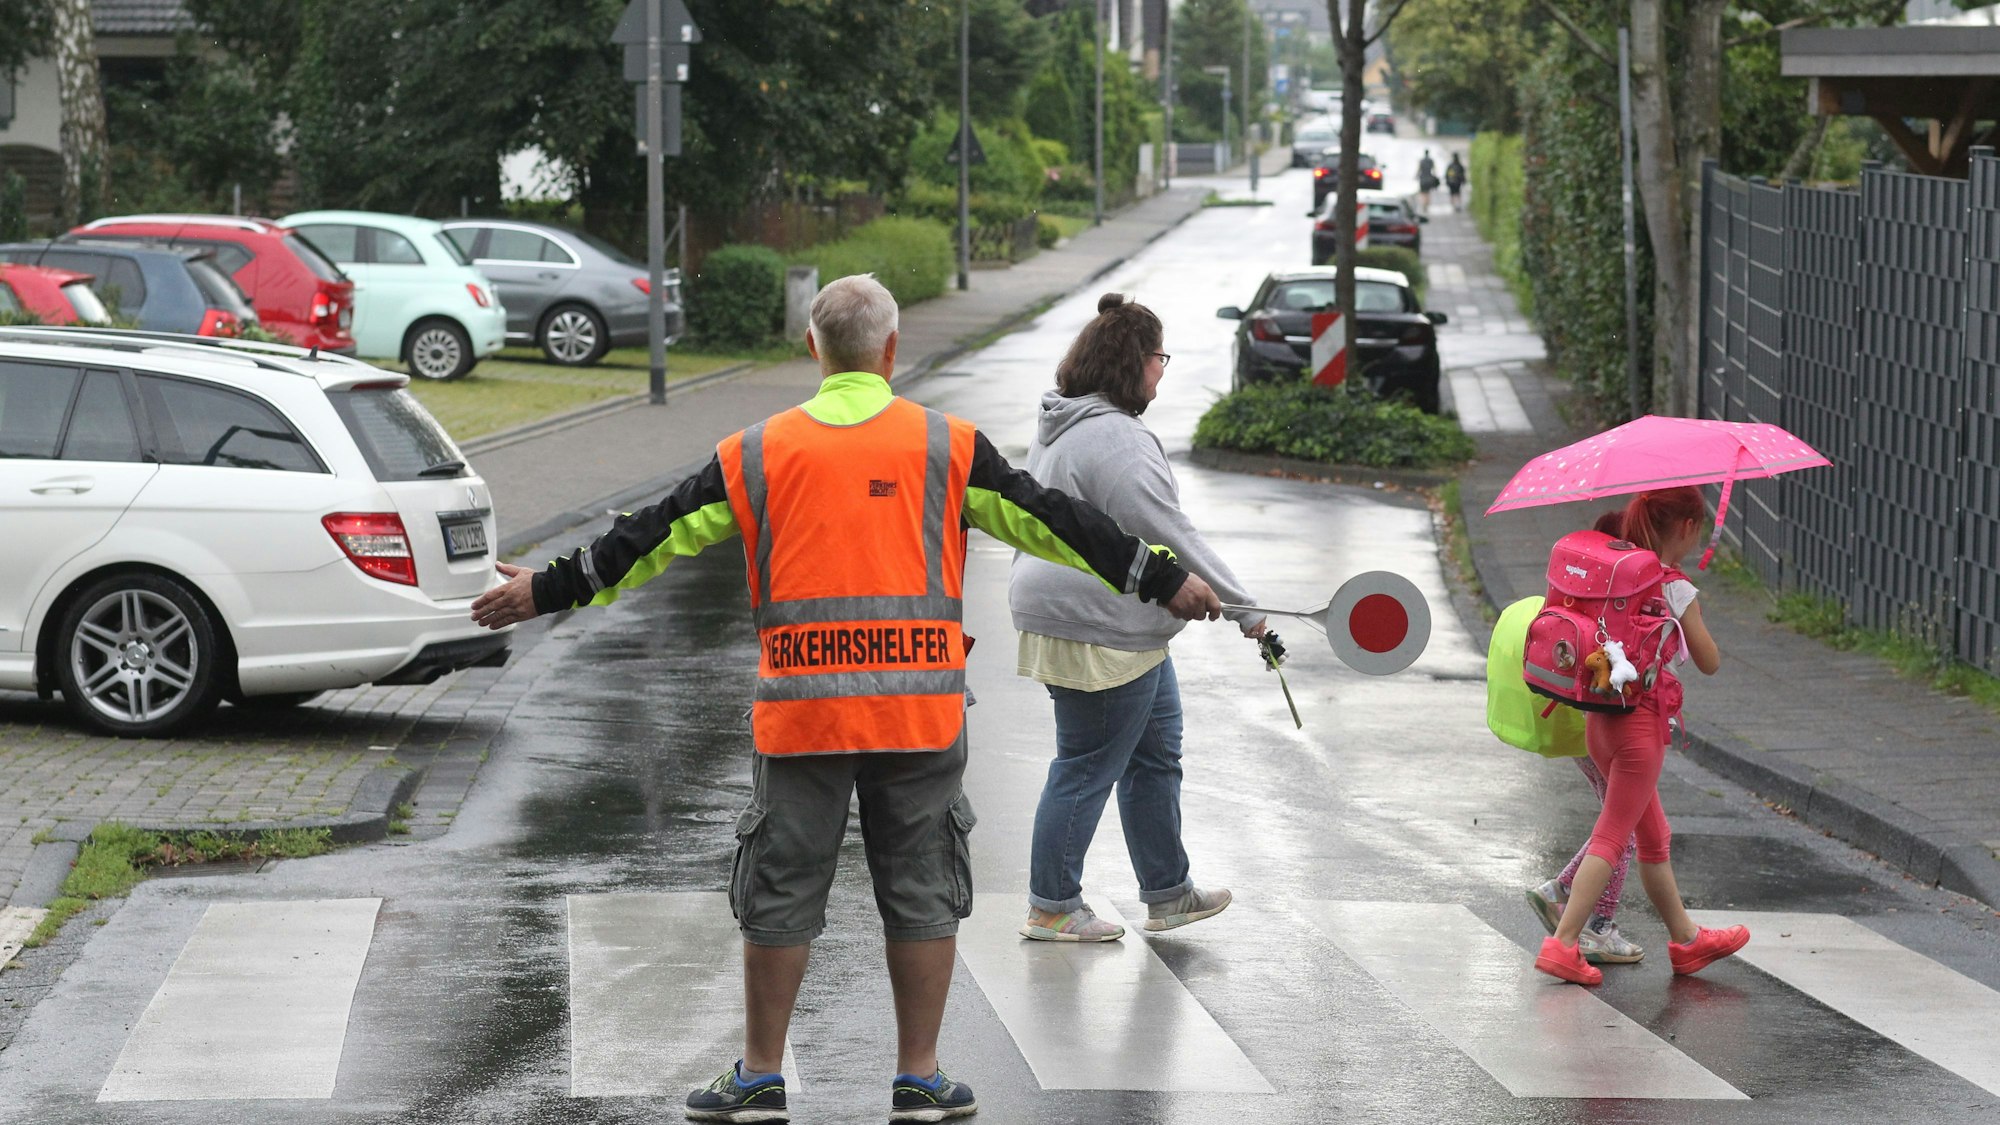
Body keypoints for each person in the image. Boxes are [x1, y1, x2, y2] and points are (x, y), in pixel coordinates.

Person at [469, 274, 1223, 1122]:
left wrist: (549, 588)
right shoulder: (948, 447)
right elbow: (1061, 523)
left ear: (813, 350)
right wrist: (1164, 579)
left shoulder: (756, 451)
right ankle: (921, 1076)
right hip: (918, 716)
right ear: (893, 352)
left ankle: (759, 1073)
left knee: (782, 887)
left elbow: (650, 534)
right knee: (923, 885)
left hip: (803, 719)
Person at [1009, 294, 1265, 943]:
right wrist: (1245, 607)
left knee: (1154, 753)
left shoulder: (1071, 423)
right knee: (1088, 761)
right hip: (1096, 623)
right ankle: (1052, 903)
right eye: (1159, 358)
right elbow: (1166, 528)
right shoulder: (1114, 437)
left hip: (1095, 617)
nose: (1162, 371)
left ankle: (1168, 889)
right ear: (1135, 362)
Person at [1533, 487, 1751, 986]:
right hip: (1640, 727)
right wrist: (1689, 611)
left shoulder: (1610, 577)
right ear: (1689, 528)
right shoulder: (1673, 586)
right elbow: (1710, 662)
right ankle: (1564, 943)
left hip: (1599, 722)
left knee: (1654, 836)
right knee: (1612, 836)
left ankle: (1687, 942)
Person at [1524, 510, 1643, 966]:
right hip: (1607, 724)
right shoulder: (1620, 601)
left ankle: (1560, 890)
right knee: (1622, 828)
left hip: (1575, 723)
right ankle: (1597, 927)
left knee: (1614, 822)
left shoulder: (1577, 589)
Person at [1417, 149, 1439, 216]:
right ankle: (1426, 205)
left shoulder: (1421, 161)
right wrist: (1435, 178)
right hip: (1429, 178)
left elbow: (1418, 170)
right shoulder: (1431, 161)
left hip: (1423, 179)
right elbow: (1434, 170)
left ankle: (1424, 204)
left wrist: (1416, 176)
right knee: (1428, 193)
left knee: (1422, 193)